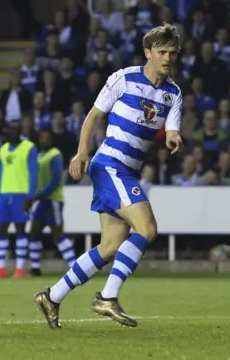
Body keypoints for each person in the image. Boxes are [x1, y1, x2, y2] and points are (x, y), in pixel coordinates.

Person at [34, 24, 184, 329]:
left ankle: (52, 295)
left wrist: (173, 138)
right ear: (148, 53)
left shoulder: (173, 93)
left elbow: (172, 129)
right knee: (148, 228)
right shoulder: (123, 78)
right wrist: (81, 152)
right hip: (110, 164)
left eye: (172, 52)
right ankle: (108, 297)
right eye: (162, 52)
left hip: (128, 170)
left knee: (111, 246)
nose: (167, 58)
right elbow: (93, 116)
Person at [0, 124, 38, 278]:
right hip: (4, 195)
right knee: (0, 230)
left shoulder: (29, 148)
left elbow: (33, 173)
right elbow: (1, 174)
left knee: (20, 230)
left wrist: (30, 196)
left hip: (21, 195)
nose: (12, 133)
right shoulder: (3, 149)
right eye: (9, 130)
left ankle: (19, 269)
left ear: (20, 132)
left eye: (15, 130)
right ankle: (1, 267)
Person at [25, 129, 76, 277]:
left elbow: (55, 181)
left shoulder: (55, 155)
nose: (44, 140)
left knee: (58, 234)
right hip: (42, 201)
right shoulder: (39, 156)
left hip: (53, 200)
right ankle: (35, 269)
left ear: (51, 140)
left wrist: (35, 196)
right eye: (42, 137)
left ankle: (75, 268)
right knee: (34, 233)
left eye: (46, 138)